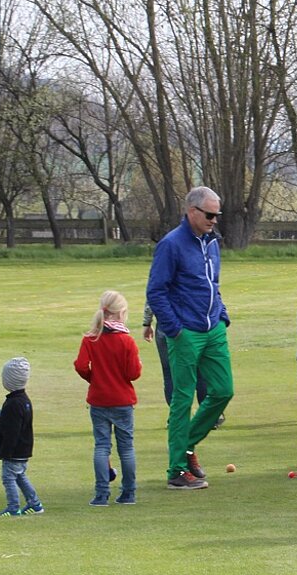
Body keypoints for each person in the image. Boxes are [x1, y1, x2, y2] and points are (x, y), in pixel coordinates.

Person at [146, 186, 235, 490]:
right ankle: (176, 470)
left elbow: (214, 284)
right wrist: (175, 330)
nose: (214, 220)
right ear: (192, 211)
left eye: (217, 215)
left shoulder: (212, 242)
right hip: (185, 332)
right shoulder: (171, 245)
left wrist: (221, 316)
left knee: (223, 391)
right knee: (182, 399)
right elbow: (156, 292)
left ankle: (185, 449)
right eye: (210, 214)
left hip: (214, 329)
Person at [74, 291, 143, 506]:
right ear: (121, 313)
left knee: (102, 446)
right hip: (122, 399)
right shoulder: (126, 341)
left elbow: (80, 365)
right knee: (126, 448)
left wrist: (94, 379)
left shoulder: (91, 338)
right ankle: (129, 492)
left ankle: (101, 494)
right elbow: (133, 373)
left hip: (99, 399)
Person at [143, 303, 220, 429]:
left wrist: (147, 322)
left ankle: (176, 418)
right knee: (199, 371)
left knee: (170, 373)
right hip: (192, 323)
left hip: (166, 325)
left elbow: (152, 298)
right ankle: (207, 417)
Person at [0, 357, 44, 516]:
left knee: (8, 478)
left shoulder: (13, 404)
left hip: (14, 452)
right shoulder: (24, 400)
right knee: (20, 476)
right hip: (23, 449)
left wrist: (5, 452)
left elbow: (12, 431)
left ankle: (13, 507)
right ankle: (35, 503)